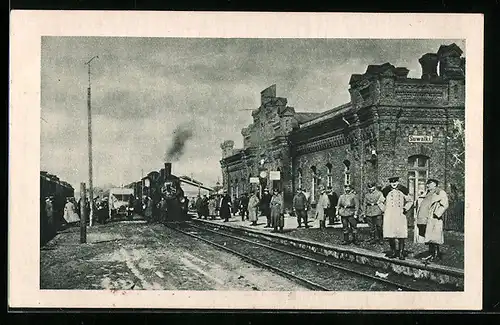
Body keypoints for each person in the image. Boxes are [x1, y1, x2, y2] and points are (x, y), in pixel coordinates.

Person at [416, 179, 449, 262]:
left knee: (435, 237)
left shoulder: (440, 193)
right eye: (427, 184)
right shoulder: (426, 194)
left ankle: (436, 255)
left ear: (435, 184)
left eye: (430, 184)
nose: (428, 185)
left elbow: (445, 204)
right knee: (429, 237)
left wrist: (437, 213)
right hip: (425, 218)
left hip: (434, 218)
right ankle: (431, 253)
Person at [382, 176, 414, 260]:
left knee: (401, 234)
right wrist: (385, 210)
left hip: (400, 214)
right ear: (390, 183)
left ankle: (401, 253)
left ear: (398, 182)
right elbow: (379, 201)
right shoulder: (386, 191)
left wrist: (405, 208)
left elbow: (410, 201)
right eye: (392, 182)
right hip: (390, 215)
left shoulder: (403, 190)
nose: (394, 184)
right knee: (390, 234)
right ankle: (393, 251)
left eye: (395, 182)